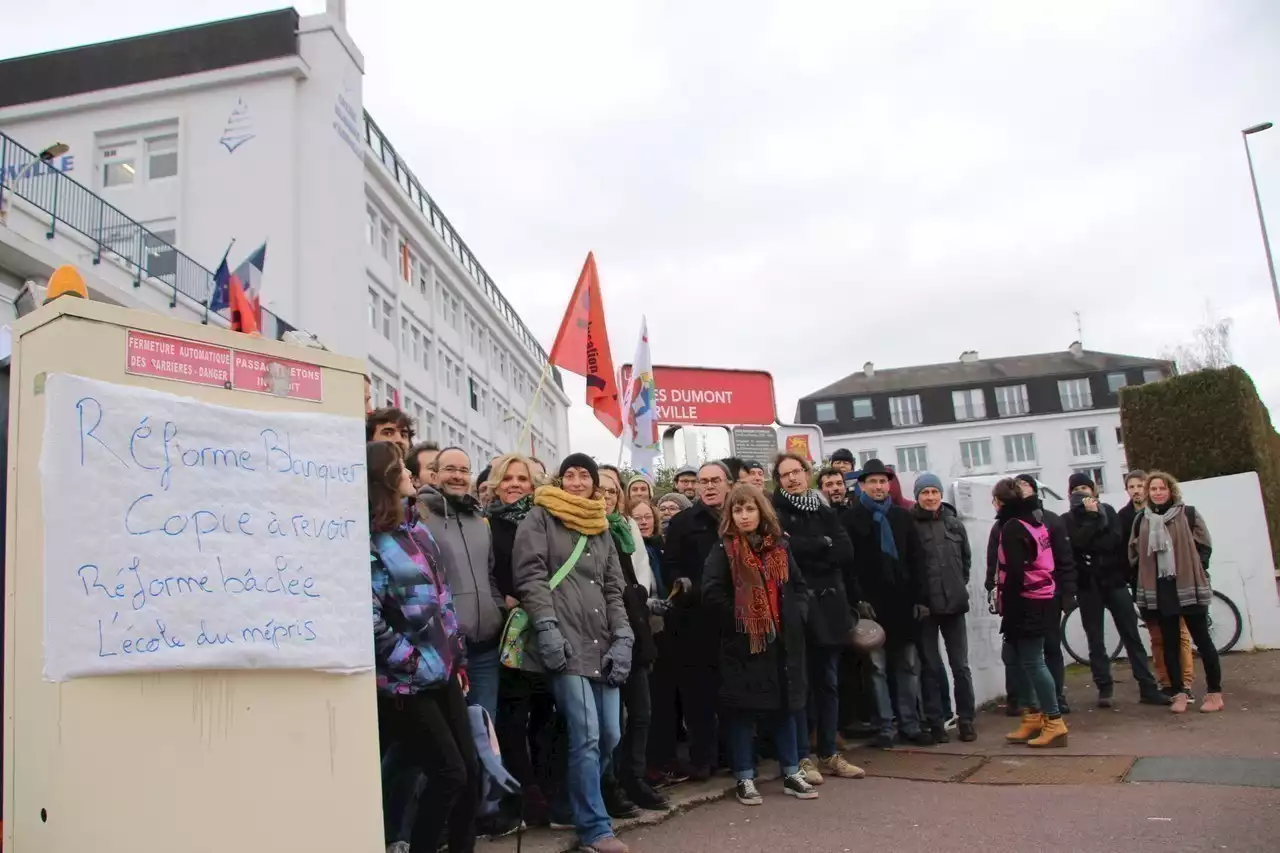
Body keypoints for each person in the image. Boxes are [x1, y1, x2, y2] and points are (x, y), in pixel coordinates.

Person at [513, 453, 634, 853]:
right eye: (571, 474)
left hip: (601, 642)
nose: (578, 481)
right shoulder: (540, 517)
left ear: (594, 483)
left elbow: (613, 589)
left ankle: (573, 802)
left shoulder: (600, 525)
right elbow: (530, 576)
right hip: (565, 641)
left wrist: (623, 637)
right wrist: (546, 627)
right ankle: (594, 826)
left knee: (611, 733)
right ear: (560, 479)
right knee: (586, 736)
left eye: (585, 475)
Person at [368, 441, 477, 853]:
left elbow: (443, 599)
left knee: (470, 773)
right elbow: (371, 620)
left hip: (445, 670)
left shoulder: (418, 531)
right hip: (405, 684)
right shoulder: (371, 542)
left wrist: (457, 657)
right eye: (401, 468)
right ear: (384, 479)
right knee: (448, 773)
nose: (412, 474)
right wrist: (412, 662)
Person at [702, 485, 820, 806]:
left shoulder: (779, 546)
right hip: (744, 646)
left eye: (749, 509)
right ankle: (744, 776)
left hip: (782, 642)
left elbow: (798, 586)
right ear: (730, 515)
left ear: (761, 511)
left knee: (785, 708)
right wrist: (744, 621)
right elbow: (712, 593)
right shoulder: (723, 549)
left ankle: (792, 771)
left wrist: (797, 617)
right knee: (742, 713)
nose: (744, 516)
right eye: (737, 510)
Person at [771, 452, 865, 782]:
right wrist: (821, 546)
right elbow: (785, 552)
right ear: (778, 480)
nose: (793, 478)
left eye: (797, 471)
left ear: (807, 473)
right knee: (800, 686)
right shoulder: (775, 511)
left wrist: (815, 546)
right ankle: (802, 757)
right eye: (785, 474)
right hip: (798, 609)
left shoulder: (823, 507)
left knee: (828, 683)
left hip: (831, 609)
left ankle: (829, 752)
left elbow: (845, 551)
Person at [486, 453, 556, 827]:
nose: (514, 484)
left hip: (545, 627)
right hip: (508, 633)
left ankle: (546, 787)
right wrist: (503, 600)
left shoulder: (544, 520)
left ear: (534, 484)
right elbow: (483, 573)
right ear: (496, 483)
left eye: (522, 478)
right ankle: (524, 793)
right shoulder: (485, 523)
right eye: (507, 478)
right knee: (512, 717)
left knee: (546, 714)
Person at [1062, 472, 1167, 708]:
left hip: (1114, 581)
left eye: (1086, 488)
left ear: (1094, 491)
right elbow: (1075, 545)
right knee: (1095, 639)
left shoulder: (1108, 511)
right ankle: (1104, 687)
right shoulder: (1066, 519)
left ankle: (1147, 687)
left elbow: (1114, 542)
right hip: (1088, 586)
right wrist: (1091, 522)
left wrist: (1091, 538)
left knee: (1131, 634)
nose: (1082, 493)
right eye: (1077, 489)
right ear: (1070, 494)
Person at [654, 462, 731, 780]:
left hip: (734, 619)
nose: (709, 486)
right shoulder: (684, 522)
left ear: (728, 483)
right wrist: (688, 588)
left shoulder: (739, 516)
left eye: (715, 480)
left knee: (731, 692)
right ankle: (703, 759)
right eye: (703, 482)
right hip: (695, 622)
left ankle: (733, 755)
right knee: (699, 695)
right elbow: (671, 567)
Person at [598, 466, 668, 813]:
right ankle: (608, 785)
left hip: (634, 626)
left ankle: (634, 778)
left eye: (613, 491)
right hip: (600, 633)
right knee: (610, 723)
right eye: (601, 490)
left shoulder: (627, 528)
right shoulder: (583, 526)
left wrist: (638, 600)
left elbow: (641, 576)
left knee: (641, 711)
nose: (607, 496)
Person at [845, 459, 930, 748]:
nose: (879, 487)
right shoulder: (852, 519)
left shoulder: (902, 517)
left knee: (907, 665)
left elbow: (917, 559)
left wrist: (921, 598)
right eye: (873, 482)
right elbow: (850, 565)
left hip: (903, 602)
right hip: (872, 606)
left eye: (883, 482)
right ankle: (884, 726)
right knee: (876, 668)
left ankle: (910, 724)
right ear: (862, 485)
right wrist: (858, 600)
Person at [418, 447, 506, 720]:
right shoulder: (420, 516)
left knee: (485, 727)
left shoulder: (480, 520)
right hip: (444, 648)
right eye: (450, 469)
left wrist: (498, 609)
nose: (457, 476)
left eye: (463, 470)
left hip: (486, 648)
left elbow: (489, 573)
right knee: (453, 736)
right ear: (434, 474)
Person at [1129, 472, 1223, 714]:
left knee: (1202, 641)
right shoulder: (1142, 519)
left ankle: (1214, 694)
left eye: (1162, 488)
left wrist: (1196, 568)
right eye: (1153, 489)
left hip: (1188, 585)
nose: (1158, 492)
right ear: (1148, 493)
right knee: (1169, 644)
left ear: (1171, 490)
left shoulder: (1187, 514)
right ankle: (1179, 693)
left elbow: (1205, 545)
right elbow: (1134, 553)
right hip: (1161, 590)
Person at [986, 475, 1076, 714]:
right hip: (1042, 597)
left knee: (1034, 661)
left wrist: (1010, 610)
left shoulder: (1014, 526)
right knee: (1019, 657)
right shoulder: (1035, 521)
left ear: (1000, 501)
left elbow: (1016, 572)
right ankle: (1034, 713)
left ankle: (1052, 716)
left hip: (1027, 603)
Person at [910, 473, 976, 743]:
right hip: (925, 607)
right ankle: (936, 720)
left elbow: (966, 562)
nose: (930, 497)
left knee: (960, 666)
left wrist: (957, 585)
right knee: (930, 666)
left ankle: (967, 720)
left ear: (940, 495)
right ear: (917, 496)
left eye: (934, 492)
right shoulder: (910, 526)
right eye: (924, 492)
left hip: (955, 605)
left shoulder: (954, 524)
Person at [1120, 470, 1195, 699]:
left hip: (1173, 582)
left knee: (1181, 634)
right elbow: (1127, 553)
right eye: (1131, 486)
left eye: (1140, 485)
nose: (1136, 490)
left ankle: (1186, 682)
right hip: (1145, 586)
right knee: (1156, 636)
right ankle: (1165, 681)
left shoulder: (1170, 513)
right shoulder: (1124, 518)